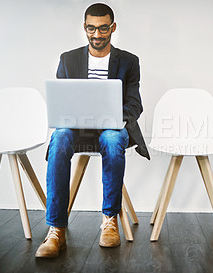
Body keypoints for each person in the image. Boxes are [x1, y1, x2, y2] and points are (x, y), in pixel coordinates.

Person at [36, 3, 150, 258]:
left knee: (111, 138)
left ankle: (110, 220)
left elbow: (134, 103)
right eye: (91, 28)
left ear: (113, 27)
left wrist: (117, 119)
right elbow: (61, 99)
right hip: (76, 128)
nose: (97, 35)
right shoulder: (68, 58)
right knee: (60, 136)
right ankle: (56, 229)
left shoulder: (129, 61)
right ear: (84, 27)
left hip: (112, 127)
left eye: (103, 28)